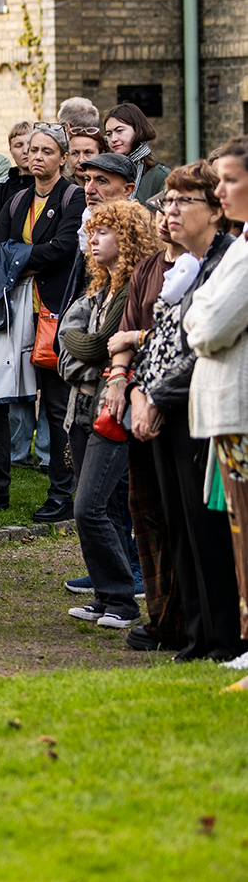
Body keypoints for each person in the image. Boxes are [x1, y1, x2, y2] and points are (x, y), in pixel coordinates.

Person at [128, 163, 239, 659]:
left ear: (215, 211)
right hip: (167, 408)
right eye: (166, 201)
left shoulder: (224, 263)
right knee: (179, 528)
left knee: (207, 531)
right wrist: (137, 391)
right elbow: (157, 342)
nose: (169, 212)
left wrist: (154, 397)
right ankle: (195, 635)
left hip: (200, 407)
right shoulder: (182, 266)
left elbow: (197, 348)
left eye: (182, 202)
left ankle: (222, 638)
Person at [56, 198, 157, 630]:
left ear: (128, 237)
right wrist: (79, 343)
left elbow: (96, 348)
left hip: (111, 408)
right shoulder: (101, 288)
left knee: (89, 506)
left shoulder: (134, 287)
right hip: (81, 408)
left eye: (104, 231)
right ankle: (107, 595)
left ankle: (122, 598)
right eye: (91, 231)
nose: (92, 239)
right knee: (104, 507)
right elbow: (67, 344)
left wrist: (82, 343)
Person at [0, 123, 85, 522]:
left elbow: (63, 248)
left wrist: (19, 258)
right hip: (15, 311)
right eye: (32, 150)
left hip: (53, 311)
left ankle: (63, 492)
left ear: (63, 157)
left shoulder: (72, 197)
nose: (38, 156)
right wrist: (23, 257)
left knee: (57, 403)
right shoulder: (17, 199)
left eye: (47, 150)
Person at [184, 137, 248, 668]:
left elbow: (208, 327)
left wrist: (198, 315)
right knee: (235, 530)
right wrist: (199, 314)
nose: (220, 190)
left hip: (239, 408)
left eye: (229, 180)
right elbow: (199, 314)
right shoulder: (239, 244)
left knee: (244, 529)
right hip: (222, 412)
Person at [102, 103, 170, 203]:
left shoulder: (160, 176)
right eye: (109, 134)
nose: (113, 139)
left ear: (138, 130)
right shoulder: (107, 172)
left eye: (119, 131)